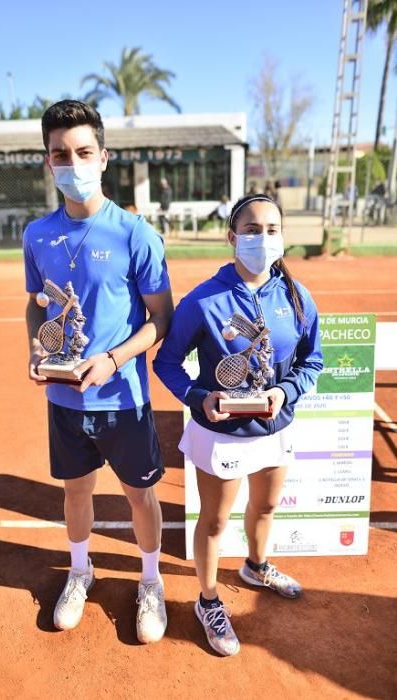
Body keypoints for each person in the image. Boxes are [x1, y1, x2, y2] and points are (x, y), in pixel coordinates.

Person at [23, 100, 174, 643]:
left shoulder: (136, 234)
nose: (74, 162)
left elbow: (162, 319)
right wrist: (35, 350)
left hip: (124, 400)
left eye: (84, 151)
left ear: (104, 156)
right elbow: (36, 304)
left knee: (140, 495)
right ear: (48, 162)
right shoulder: (36, 234)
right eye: (61, 154)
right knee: (75, 492)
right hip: (65, 402)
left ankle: (151, 581)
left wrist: (112, 358)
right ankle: (80, 570)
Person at [153, 193, 323, 656]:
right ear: (232, 237)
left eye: (272, 230)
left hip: (275, 426)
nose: (262, 238)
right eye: (251, 230)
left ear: (283, 237)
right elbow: (166, 363)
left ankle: (255, 565)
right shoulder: (203, 300)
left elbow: (313, 361)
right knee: (214, 522)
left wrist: (283, 392)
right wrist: (197, 397)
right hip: (221, 432)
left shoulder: (296, 295)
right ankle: (207, 599)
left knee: (265, 508)